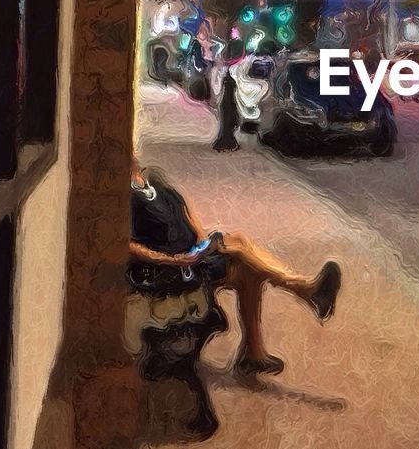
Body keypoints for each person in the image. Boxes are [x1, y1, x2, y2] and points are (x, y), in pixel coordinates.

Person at [127, 164, 341, 433]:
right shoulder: (119, 194)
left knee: (239, 250)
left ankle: (256, 351)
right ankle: (304, 292)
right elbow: (126, 245)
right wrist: (175, 260)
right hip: (168, 272)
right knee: (244, 262)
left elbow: (184, 212)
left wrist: (204, 243)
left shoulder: (151, 179)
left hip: (191, 258)